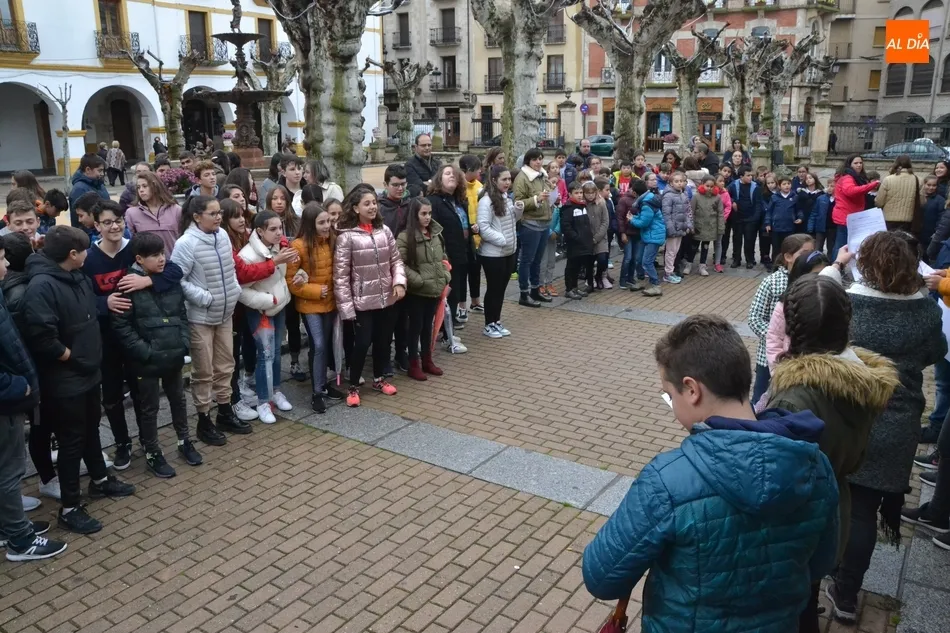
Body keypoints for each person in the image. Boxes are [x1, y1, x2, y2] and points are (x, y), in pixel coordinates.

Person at [582, 314, 839, 633]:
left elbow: (601, 577)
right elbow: (821, 561)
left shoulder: (667, 481)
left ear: (691, 390)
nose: (672, 405)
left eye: (669, 395)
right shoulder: (816, 467)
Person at [766, 272, 899, 632]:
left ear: (792, 327)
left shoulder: (796, 398)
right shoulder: (860, 377)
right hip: (834, 504)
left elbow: (776, 478)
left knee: (792, 608)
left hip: (799, 522)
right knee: (806, 597)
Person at [826, 231, 946, 624]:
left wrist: (836, 267)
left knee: (836, 499)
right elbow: (935, 352)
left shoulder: (848, 303)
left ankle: (829, 568)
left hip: (848, 415)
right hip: (898, 421)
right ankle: (846, 594)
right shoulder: (926, 310)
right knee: (864, 511)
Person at [23, 226, 136, 534]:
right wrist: (72, 357)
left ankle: (100, 481)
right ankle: (70, 506)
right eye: (85, 249)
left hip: (88, 372)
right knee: (72, 442)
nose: (90, 253)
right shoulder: (42, 286)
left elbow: (88, 312)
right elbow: (42, 337)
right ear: (72, 255)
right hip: (65, 380)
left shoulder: (76, 276)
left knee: (90, 432)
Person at [0, 235, 69, 561]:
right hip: (6, 401)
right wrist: (15, 386)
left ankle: (9, 528)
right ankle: (20, 540)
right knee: (9, 472)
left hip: (11, 396)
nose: (5, 265)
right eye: (0, 259)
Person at [111, 232, 197, 477]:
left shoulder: (168, 277)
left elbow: (181, 314)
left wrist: (182, 344)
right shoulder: (128, 284)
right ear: (139, 259)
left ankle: (184, 441)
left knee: (179, 400)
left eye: (162, 253)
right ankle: (152, 452)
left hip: (173, 354)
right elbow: (122, 326)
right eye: (155, 256)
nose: (162, 259)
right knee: (149, 408)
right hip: (146, 360)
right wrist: (145, 352)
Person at [171, 195, 243, 446]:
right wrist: (204, 298)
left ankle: (225, 411)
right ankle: (204, 419)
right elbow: (177, 280)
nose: (218, 217)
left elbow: (230, 268)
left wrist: (233, 291)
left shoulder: (222, 236)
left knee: (226, 364)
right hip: (200, 316)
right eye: (213, 213)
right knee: (203, 371)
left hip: (225, 313)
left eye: (219, 212)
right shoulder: (186, 244)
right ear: (196, 216)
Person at [334, 184, 406, 407]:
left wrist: (400, 282)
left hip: (387, 299)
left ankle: (378, 379)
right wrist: (346, 309)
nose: (372, 207)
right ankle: (353, 385)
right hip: (362, 303)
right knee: (362, 344)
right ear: (355, 208)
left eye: (374, 202)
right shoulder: (346, 237)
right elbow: (341, 276)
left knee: (383, 342)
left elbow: (396, 261)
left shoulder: (384, 231)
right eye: (367, 203)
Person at [236, 211, 295, 424]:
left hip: (279, 306)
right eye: (273, 229)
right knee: (265, 355)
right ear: (259, 231)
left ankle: (275, 391)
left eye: (280, 228)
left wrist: (292, 282)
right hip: (262, 310)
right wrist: (268, 300)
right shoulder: (248, 255)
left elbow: (280, 277)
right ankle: (262, 401)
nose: (279, 233)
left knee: (277, 352)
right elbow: (241, 290)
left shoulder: (279, 247)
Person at [286, 202, 343, 413]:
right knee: (318, 345)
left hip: (330, 303)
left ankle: (324, 385)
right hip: (311, 304)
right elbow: (292, 282)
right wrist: (316, 291)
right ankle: (316, 392)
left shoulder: (332, 241)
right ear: (311, 224)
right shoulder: (298, 246)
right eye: (321, 222)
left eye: (328, 221)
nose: (327, 225)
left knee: (327, 344)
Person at [747, 234, 815, 404]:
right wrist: (776, 337)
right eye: (804, 253)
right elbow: (755, 318)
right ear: (788, 256)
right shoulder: (771, 282)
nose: (809, 258)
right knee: (761, 399)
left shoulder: (814, 282)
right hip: (769, 358)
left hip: (803, 358)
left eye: (812, 253)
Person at [396, 197, 452, 379]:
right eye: (423, 214)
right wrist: (418, 280)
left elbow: (443, 257)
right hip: (417, 292)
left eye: (429, 213)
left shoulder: (436, 234)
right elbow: (399, 263)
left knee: (428, 327)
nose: (427, 217)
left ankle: (427, 361)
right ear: (415, 215)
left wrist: (445, 275)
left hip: (434, 289)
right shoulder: (405, 237)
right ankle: (414, 364)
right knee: (415, 327)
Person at [221, 198, 264, 424]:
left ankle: (240, 388)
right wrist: (273, 262)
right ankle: (233, 398)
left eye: (242, 214)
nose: (241, 220)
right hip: (230, 308)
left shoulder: (246, 236)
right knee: (231, 355)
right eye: (235, 216)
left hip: (246, 305)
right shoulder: (224, 242)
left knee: (244, 348)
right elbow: (243, 272)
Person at [427, 165, 472, 345]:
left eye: (454, 174)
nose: (451, 176)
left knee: (455, 294)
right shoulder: (434, 201)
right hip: (446, 257)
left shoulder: (459, 200)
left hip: (461, 255)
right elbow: (434, 231)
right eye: (447, 174)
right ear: (439, 179)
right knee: (445, 297)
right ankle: (445, 334)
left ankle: (447, 330)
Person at [476, 165, 523, 338]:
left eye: (509, 179)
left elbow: (511, 221)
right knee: (493, 289)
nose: (507, 182)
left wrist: (518, 210)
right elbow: (483, 227)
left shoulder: (506, 198)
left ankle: (496, 321)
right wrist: (501, 240)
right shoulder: (486, 201)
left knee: (501, 289)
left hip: (508, 252)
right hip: (492, 254)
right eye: (504, 179)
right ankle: (489, 324)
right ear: (494, 180)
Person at [513, 148, 555, 307]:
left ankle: (535, 289)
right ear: (528, 161)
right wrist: (536, 199)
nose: (539, 162)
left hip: (544, 222)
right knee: (526, 260)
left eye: (541, 158)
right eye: (535, 159)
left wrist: (553, 195)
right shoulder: (522, 178)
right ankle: (524, 293)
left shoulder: (543, 175)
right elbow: (518, 202)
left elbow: (548, 195)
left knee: (537, 260)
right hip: (530, 224)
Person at [830, 154, 880, 261]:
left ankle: (837, 266)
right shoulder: (848, 177)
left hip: (849, 216)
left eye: (860, 163)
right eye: (856, 163)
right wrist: (871, 185)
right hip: (846, 217)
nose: (859, 165)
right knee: (842, 245)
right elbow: (851, 191)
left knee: (843, 244)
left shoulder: (852, 177)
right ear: (850, 164)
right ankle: (836, 266)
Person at [126, 171, 182, 257]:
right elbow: (130, 242)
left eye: (145, 186)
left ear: (155, 186)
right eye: (138, 187)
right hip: (146, 266)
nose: (141, 190)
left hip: (174, 263)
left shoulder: (176, 210)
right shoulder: (132, 213)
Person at [632, 178, 666, 297]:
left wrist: (632, 219)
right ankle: (641, 279)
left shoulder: (646, 204)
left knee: (647, 261)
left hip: (654, 236)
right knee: (639, 259)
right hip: (648, 235)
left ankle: (656, 285)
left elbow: (643, 222)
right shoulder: (648, 197)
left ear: (635, 193)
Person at [560, 180, 594, 301]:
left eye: (581, 192)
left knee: (578, 266)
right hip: (574, 244)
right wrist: (576, 237)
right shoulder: (568, 209)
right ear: (570, 194)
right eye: (576, 193)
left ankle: (574, 287)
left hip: (584, 244)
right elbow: (566, 227)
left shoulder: (583, 207)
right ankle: (569, 289)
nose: (579, 195)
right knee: (571, 267)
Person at [459, 154, 484, 315]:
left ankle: (475, 301)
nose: (480, 171)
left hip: (478, 236)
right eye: (477, 169)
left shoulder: (479, 186)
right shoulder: (459, 188)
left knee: (475, 272)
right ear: (468, 170)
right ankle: (461, 306)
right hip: (463, 238)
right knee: (461, 274)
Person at [727, 166, 765, 269]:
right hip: (737, 217)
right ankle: (736, 259)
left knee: (750, 240)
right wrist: (732, 201)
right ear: (741, 177)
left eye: (751, 175)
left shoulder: (755, 187)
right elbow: (726, 196)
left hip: (750, 218)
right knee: (737, 239)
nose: (750, 178)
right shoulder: (733, 185)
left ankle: (749, 260)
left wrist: (755, 218)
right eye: (748, 175)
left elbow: (758, 204)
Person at [876, 154, 924, 232]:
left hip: (889, 220)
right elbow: (922, 202)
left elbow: (879, 202)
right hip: (909, 221)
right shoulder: (919, 180)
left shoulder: (888, 179)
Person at [689, 176, 724, 277]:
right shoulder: (696, 196)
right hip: (698, 226)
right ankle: (689, 263)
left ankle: (702, 265)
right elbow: (691, 211)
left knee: (705, 246)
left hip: (710, 227)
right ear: (702, 184)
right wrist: (691, 225)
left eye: (712, 186)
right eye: (707, 186)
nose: (709, 188)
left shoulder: (717, 197)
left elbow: (720, 213)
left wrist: (720, 227)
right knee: (694, 246)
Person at [661, 172, 690, 284]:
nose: (679, 183)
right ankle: (668, 273)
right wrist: (670, 228)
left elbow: (686, 212)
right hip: (673, 228)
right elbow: (666, 214)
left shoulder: (683, 194)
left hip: (680, 228)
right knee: (670, 251)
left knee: (675, 251)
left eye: (681, 181)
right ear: (671, 183)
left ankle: (671, 271)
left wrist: (687, 225)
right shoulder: (668, 196)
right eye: (676, 181)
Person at [764, 177, 804, 255]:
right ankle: (776, 265)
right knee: (776, 248)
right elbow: (769, 211)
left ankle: (787, 265)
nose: (786, 186)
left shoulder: (794, 197)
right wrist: (768, 223)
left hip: (789, 227)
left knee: (788, 248)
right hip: (777, 227)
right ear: (779, 186)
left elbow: (798, 210)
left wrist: (800, 218)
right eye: (784, 184)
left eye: (788, 184)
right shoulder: (775, 197)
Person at [68, 154, 110, 224]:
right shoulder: (79, 189)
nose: (102, 174)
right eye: (99, 170)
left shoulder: (99, 184)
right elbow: (79, 218)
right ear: (88, 169)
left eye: (103, 171)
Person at [587, 180, 610, 289]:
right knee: (589, 261)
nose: (590, 195)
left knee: (602, 259)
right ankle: (590, 279)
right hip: (588, 237)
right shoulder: (583, 205)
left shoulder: (601, 203)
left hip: (600, 237)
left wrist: (597, 237)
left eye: (593, 193)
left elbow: (605, 221)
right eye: (588, 193)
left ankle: (599, 276)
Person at [919, 175, 947, 263]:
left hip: (930, 234)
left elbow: (941, 218)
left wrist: (935, 232)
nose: (931, 188)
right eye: (929, 185)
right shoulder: (918, 198)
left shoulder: (940, 200)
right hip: (918, 232)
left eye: (934, 185)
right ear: (924, 184)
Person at [378, 164, 410, 238]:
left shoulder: (411, 204)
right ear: (385, 185)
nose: (400, 188)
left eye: (403, 184)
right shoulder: (378, 208)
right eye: (395, 185)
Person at [807, 183, 835, 257]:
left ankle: (830, 264)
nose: (829, 188)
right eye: (828, 186)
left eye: (832, 186)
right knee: (818, 247)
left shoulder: (838, 199)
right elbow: (814, 213)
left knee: (831, 248)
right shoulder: (821, 198)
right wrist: (810, 226)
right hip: (820, 227)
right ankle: (816, 263)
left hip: (833, 228)